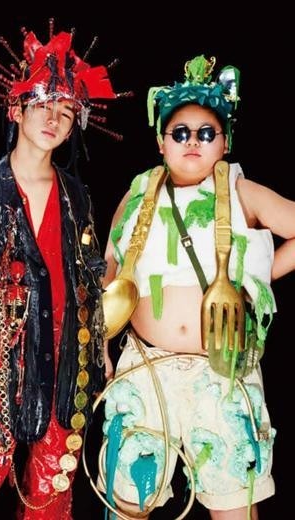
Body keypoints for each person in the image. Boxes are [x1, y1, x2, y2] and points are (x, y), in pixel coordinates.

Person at [0, 22, 123, 519]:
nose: (53, 118)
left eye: (66, 111)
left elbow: (86, 280)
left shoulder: (77, 194)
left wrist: (97, 348)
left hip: (65, 361)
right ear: (16, 109)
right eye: (43, 105)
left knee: (51, 494)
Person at [97, 55, 294, 519]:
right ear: (161, 142)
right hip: (144, 367)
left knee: (233, 502)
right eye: (179, 132)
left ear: (224, 142)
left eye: (206, 133)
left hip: (222, 373)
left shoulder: (243, 191)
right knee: (126, 501)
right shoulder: (137, 194)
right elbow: (108, 272)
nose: (192, 141)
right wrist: (100, 347)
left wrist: (257, 276)